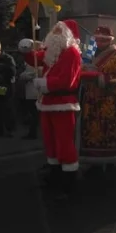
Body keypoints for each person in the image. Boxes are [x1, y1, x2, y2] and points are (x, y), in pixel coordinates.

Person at [34, 20, 83, 199]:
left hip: (63, 102)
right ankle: (54, 175)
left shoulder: (71, 53)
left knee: (64, 143)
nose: (54, 34)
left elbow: (66, 81)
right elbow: (36, 57)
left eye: (58, 31)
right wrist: (26, 49)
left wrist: (44, 83)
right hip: (47, 102)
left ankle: (69, 182)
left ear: (66, 35)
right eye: (53, 31)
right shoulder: (53, 52)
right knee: (50, 141)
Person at [78, 26, 116, 166]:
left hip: (109, 101)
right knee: (90, 129)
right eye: (97, 40)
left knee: (108, 130)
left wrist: (100, 76)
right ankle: (92, 161)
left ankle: (111, 161)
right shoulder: (89, 54)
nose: (99, 43)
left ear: (109, 41)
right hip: (91, 98)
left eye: (102, 41)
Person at [17, 38, 42, 140]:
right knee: (31, 113)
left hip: (36, 89)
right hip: (29, 89)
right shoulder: (29, 58)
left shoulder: (39, 57)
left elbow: (38, 72)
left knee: (34, 114)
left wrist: (25, 76)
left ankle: (33, 133)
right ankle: (32, 132)